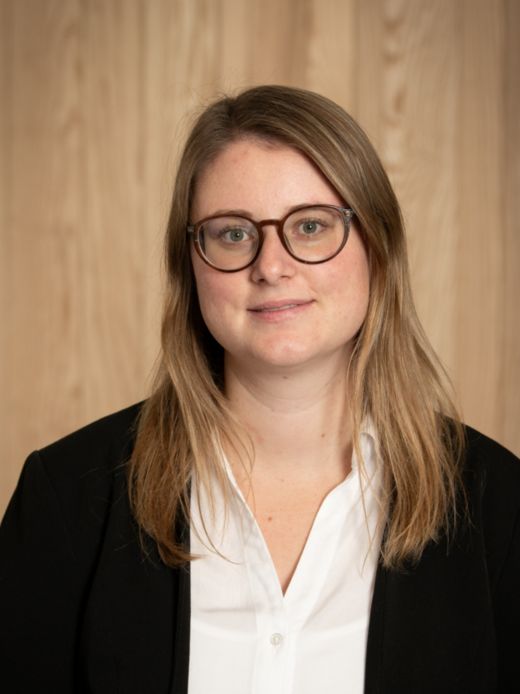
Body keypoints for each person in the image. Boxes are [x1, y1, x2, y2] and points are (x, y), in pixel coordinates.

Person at [1, 85, 518, 694]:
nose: (271, 266)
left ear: (378, 248)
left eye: (311, 225)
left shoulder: (500, 507)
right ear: (189, 264)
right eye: (232, 233)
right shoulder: (66, 500)